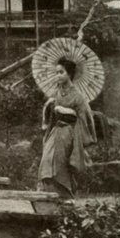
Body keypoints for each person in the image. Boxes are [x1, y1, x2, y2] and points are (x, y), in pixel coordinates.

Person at [38, 58, 96, 196]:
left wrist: (68, 111)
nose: (58, 75)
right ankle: (49, 195)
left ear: (69, 74)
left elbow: (85, 117)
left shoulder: (78, 96)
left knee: (60, 164)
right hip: (55, 131)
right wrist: (48, 107)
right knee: (46, 160)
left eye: (61, 72)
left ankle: (65, 196)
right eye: (56, 72)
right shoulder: (56, 93)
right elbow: (48, 118)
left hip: (70, 132)